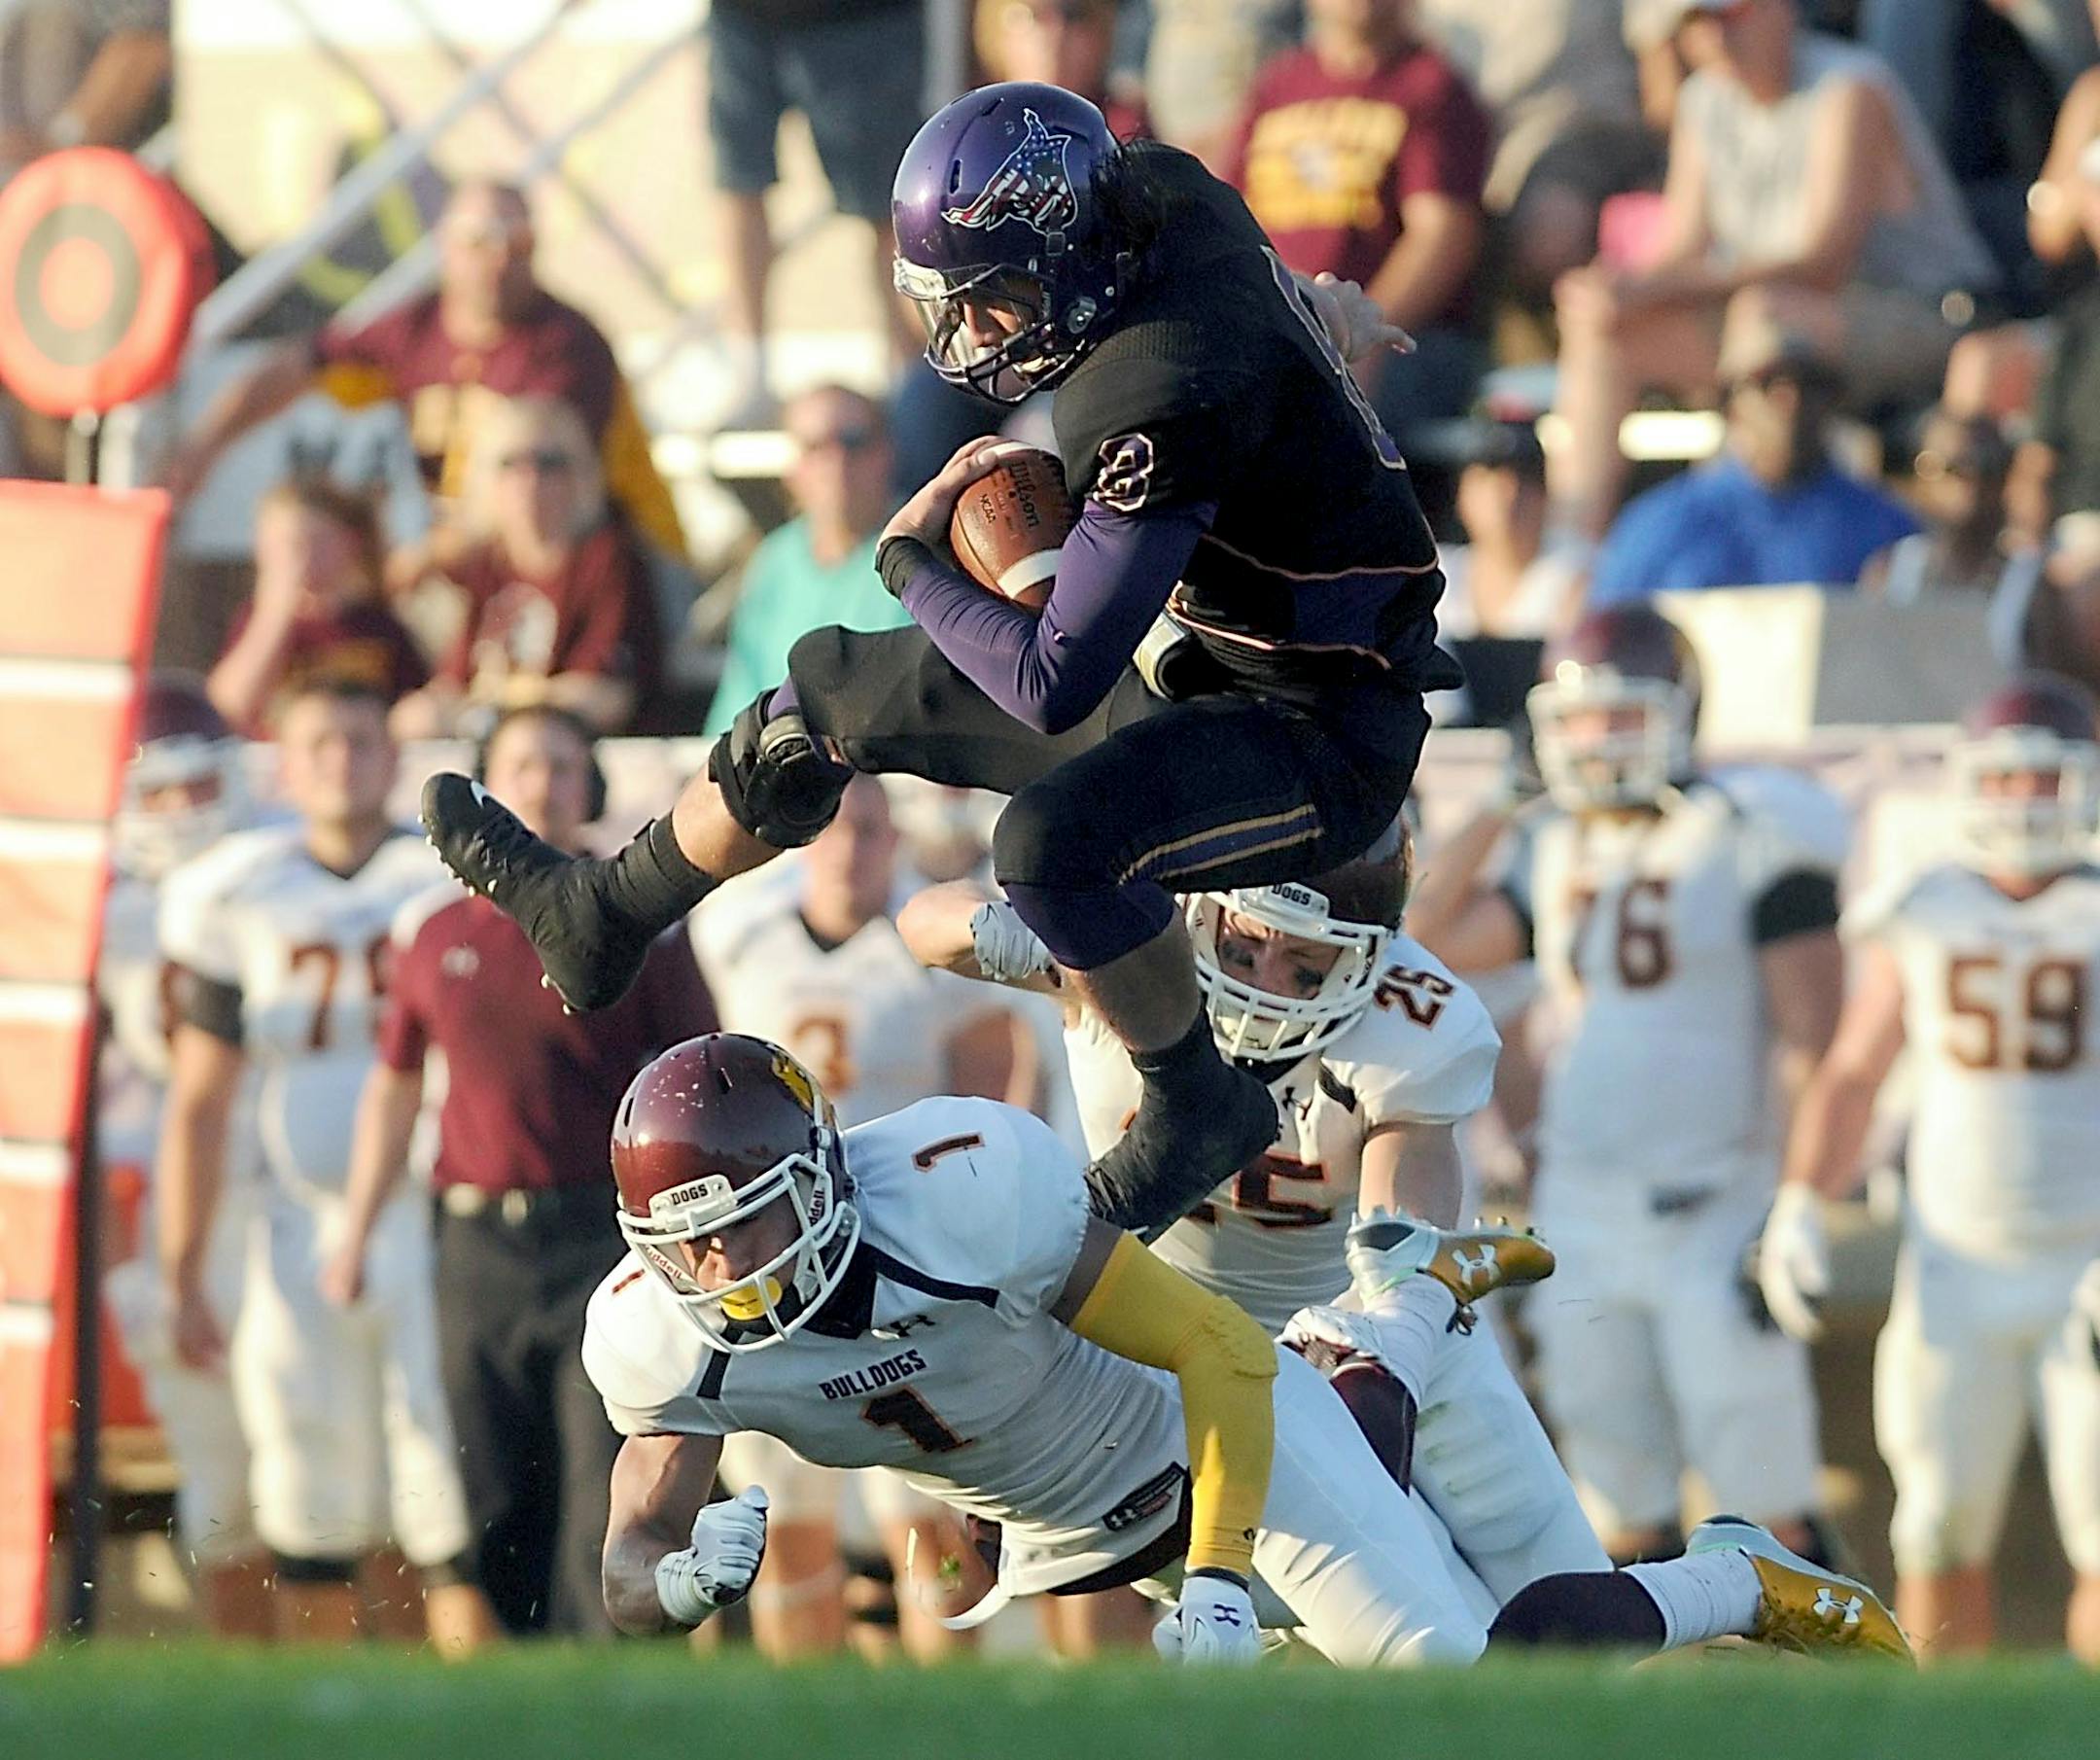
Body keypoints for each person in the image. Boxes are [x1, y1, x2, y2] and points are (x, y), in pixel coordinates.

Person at [418, 80, 1457, 1247]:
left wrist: (912, 561)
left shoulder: (1156, 385)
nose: (975, 337)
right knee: (822, 692)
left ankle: (1191, 1101)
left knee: (1053, 848)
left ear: (1064, 255)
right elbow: (1261, 299)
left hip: (1322, 732)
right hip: (1214, 661)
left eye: (995, 300)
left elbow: (1055, 680)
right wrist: (1325, 318)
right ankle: (608, 909)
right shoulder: (1157, 188)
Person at [582, 1032, 1910, 1662]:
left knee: (1468, 1683)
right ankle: (1400, 1318)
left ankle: (1730, 1582)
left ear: (820, 1176)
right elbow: (625, 1573)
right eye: (688, 1245)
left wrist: (1218, 1569)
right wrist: (685, 1581)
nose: (723, 1270)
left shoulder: (959, 1187)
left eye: (748, 1227)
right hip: (1085, 1536)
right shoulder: (659, 1345)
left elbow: (1218, 1344)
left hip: (1212, 1449)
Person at [897, 827, 1635, 1618]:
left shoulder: (1410, 1025)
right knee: (1424, 1627)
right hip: (1170, 1346)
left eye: (1306, 966)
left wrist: (1382, 1346)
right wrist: (1010, 933)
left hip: (1374, 1336)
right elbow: (923, 922)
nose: (1265, 985)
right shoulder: (1131, 957)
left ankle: (1719, 1594)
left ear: (1367, 961)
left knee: (1568, 1592)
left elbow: (1400, 1254)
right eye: (1244, 950)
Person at [1404, 607, 1848, 1566]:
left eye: (1621, 716)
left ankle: (1828, 1709)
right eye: (1580, 720)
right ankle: (1655, 1714)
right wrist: (1502, 802)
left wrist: (1797, 1196)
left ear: (1681, 710)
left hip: (1716, 1203)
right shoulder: (1553, 842)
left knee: (1769, 1511)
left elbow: (1820, 1040)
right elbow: (1421, 934)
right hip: (1585, 1207)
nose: (1598, 742)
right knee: (1617, 1505)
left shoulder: (1751, 833)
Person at [322, 705, 715, 1638]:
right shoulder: (431, 932)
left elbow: (698, 1079)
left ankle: (605, 1679)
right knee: (491, 1480)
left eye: (564, 764)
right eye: (523, 764)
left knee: (598, 1478)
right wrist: (355, 1228)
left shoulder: (642, 931)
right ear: (489, 790)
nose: (543, 783)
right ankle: (524, 1678)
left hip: (601, 1242)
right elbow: (395, 1087)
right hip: (474, 1239)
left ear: (592, 788)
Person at [1761, 675, 2100, 1665]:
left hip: (2087, 1262)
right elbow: (1855, 1070)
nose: (2027, 804)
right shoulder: (1928, 904)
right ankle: (1946, 1730)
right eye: (2010, 781)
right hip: (1954, 1260)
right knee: (1938, 1525)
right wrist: (1801, 1199)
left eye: (2047, 782)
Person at [156, 681, 489, 1649]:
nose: (340, 758)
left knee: (441, 1472)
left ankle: (467, 1706)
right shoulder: (236, 889)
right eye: (318, 740)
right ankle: (325, 1712)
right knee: (307, 1480)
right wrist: (182, 1271)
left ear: (391, 759)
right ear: (285, 766)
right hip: (297, 1222)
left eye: (359, 736)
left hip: (432, 1214)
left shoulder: (445, 873)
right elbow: (200, 1099)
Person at [691, 774, 1036, 1657]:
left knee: (921, 1514)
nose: (851, 847)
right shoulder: (741, 935)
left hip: (894, 1248)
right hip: (778, 1258)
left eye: (872, 830)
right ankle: (806, 1726)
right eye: (837, 827)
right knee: (783, 1515)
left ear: (896, 841)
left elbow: (992, 1094)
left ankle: (940, 1719)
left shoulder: (924, 949)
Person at [1550, 0, 1999, 538]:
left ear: (1779, 10)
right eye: (1694, 23)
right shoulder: (1704, 101)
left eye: (1726, 15)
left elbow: (1824, 259)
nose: (1713, 37)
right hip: (1779, 314)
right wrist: (1618, 288)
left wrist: (1658, 286)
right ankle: (1570, 546)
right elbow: (1683, 248)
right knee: (1605, 329)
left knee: (1766, 319)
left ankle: (1750, 529)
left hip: (1927, 314)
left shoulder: (1849, 86)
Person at [163, 180, 684, 564]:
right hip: (483, 562)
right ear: (446, 246)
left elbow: (538, 496)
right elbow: (302, 366)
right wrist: (204, 447)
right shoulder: (417, 329)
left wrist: (423, 560)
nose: (499, 260)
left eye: (518, 243)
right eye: (481, 241)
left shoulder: (567, 345)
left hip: (604, 558)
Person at [97, 679, 270, 1637]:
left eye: (196, 788)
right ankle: (254, 1688)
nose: (176, 815)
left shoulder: (282, 870)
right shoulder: (103, 907)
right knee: (220, 1479)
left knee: (331, 1461)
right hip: (179, 1190)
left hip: (286, 1186)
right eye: (154, 793)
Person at [1224, 0, 1493, 434]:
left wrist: (1358, 332)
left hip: (1397, 344)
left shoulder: (1433, 87)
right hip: (1277, 331)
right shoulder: (1277, 84)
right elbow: (1228, 217)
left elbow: (1443, 236)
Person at [1586, 319, 1920, 603]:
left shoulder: (1885, 528)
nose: (1791, 401)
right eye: (1768, 383)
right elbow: (1608, 644)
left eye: (1812, 385)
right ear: (1731, 405)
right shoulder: (1662, 523)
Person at [706, 0, 928, 420]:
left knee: (893, 204)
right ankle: (749, 370)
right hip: (741, 18)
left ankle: (910, 376)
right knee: (738, 185)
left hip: (861, 19)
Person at [392, 397, 661, 737]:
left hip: (571, 743)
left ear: (581, 472)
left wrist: (496, 704)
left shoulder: (608, 558)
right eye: (510, 463)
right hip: (489, 734)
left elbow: (605, 695)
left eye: (549, 463)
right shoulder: (481, 563)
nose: (530, 479)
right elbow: (450, 685)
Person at [703, 387, 910, 737]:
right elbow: (737, 701)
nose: (836, 462)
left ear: (887, 454)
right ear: (792, 470)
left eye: (854, 441)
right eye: (815, 447)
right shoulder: (773, 561)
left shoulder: (924, 551)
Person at [207, 477, 430, 737]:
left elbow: (414, 704)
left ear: (350, 543)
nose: (295, 560)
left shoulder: (378, 626)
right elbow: (227, 709)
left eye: (309, 542)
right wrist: (275, 614)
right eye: (278, 546)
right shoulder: (254, 622)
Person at [1869, 411, 2045, 668]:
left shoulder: (2033, 588)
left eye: (1989, 466)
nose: (1971, 481)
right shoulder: (1888, 573)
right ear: (1920, 477)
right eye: (1952, 467)